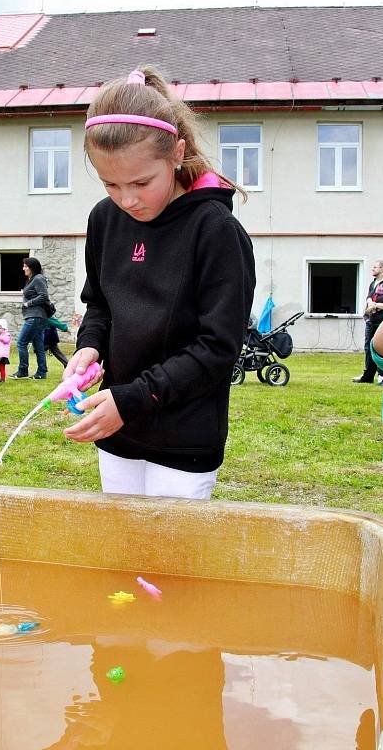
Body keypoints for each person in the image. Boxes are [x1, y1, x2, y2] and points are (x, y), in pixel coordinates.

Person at [62, 66, 255, 499]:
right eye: (110, 183)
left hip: (183, 438)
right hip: (116, 428)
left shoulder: (215, 229)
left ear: (177, 153)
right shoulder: (105, 219)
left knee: (167, 565)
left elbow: (218, 348)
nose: (127, 199)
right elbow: (100, 305)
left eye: (141, 183)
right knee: (126, 553)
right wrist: (89, 345)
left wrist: (133, 399)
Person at [10, 257, 51, 380]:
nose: (23, 268)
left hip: (35, 316)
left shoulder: (38, 278)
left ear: (31, 267)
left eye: (25, 266)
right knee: (38, 346)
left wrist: (28, 303)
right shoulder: (33, 279)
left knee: (21, 343)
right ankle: (41, 372)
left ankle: (23, 371)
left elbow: (44, 296)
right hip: (36, 317)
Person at [353, 259, 383, 384]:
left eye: (375, 267)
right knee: (368, 348)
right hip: (371, 320)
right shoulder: (374, 284)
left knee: (381, 349)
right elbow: (369, 297)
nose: (373, 269)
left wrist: (376, 305)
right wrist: (370, 304)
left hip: (382, 321)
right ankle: (368, 375)